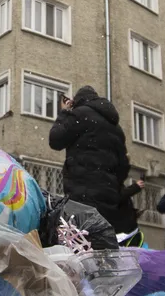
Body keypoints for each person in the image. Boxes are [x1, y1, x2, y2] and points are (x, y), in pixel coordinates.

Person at [48, 85, 132, 231]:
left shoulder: (80, 115)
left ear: (77, 101)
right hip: (109, 199)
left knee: (82, 243)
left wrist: (65, 112)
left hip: (82, 195)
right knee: (102, 244)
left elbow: (55, 140)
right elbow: (123, 168)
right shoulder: (116, 128)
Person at [112, 180, 147, 246]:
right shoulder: (108, 181)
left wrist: (134, 213)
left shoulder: (118, 183)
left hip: (128, 232)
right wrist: (135, 187)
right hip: (119, 234)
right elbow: (116, 197)